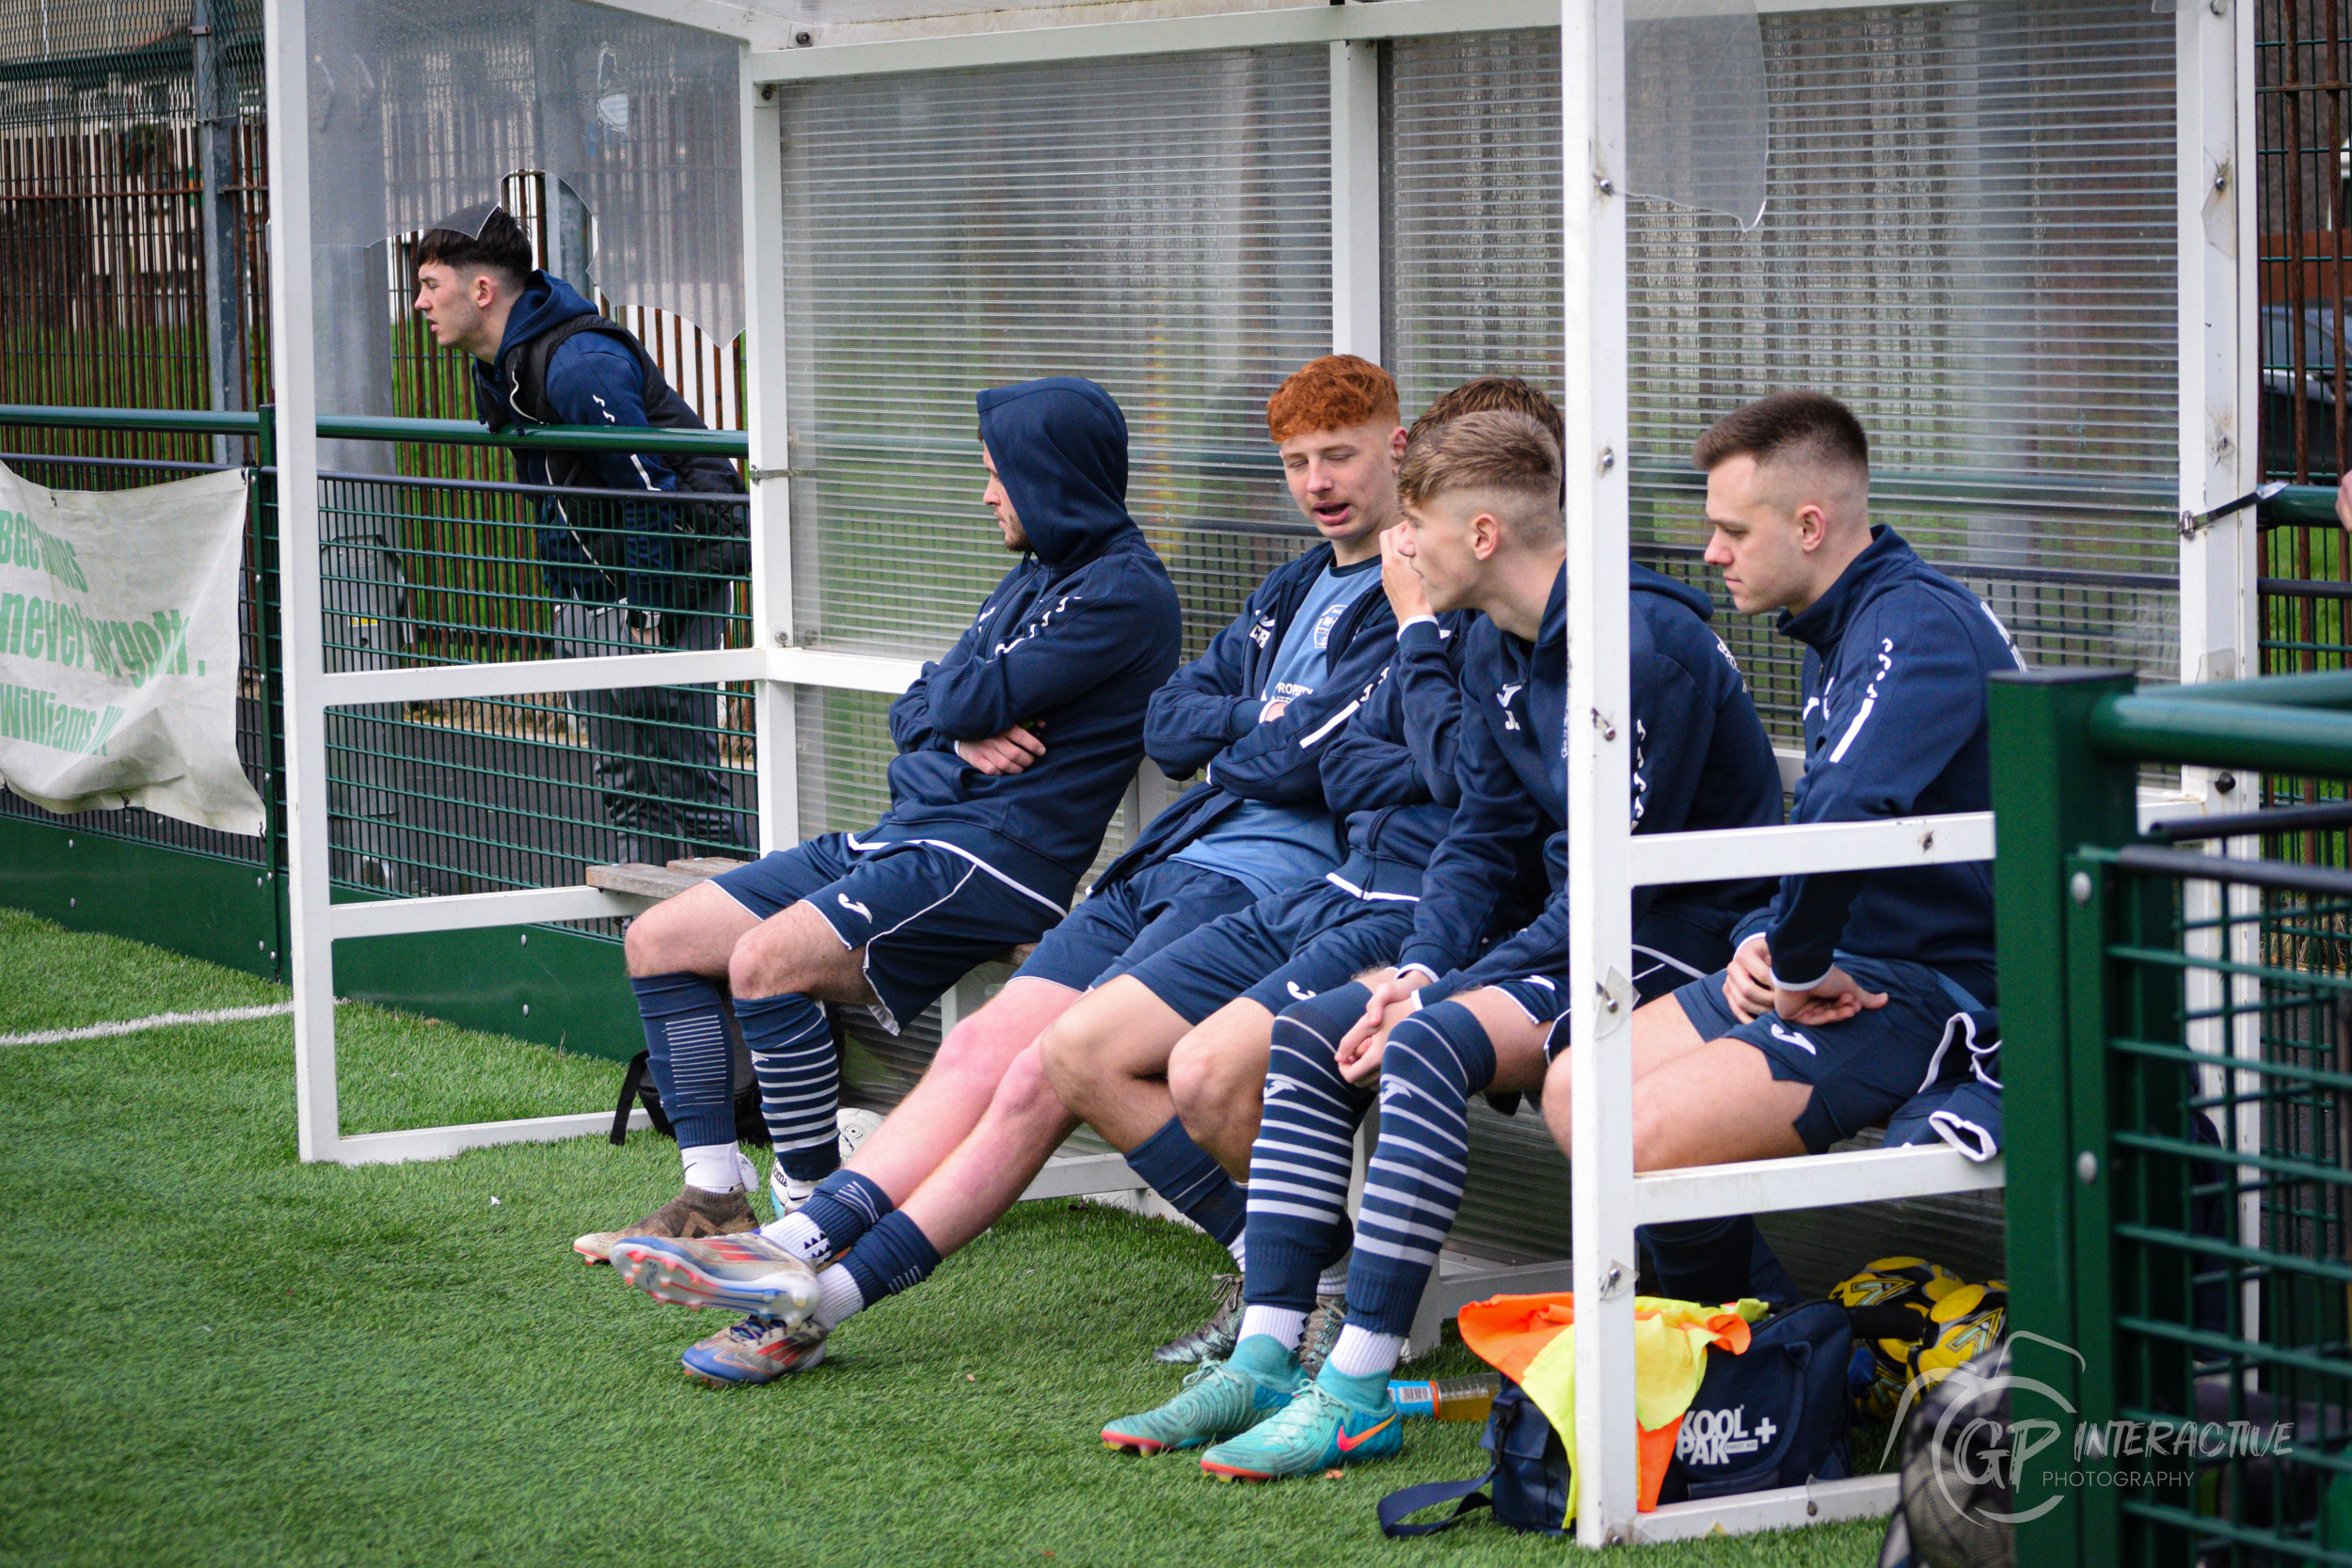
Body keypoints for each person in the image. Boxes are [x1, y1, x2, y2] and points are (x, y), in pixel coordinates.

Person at [606, 356, 1415, 1386]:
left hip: (1269, 891)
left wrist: (1243, 730)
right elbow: (1169, 723)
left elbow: (1303, 755)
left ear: (1398, 447)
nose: (1315, 482)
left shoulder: (1411, 592)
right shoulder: (1292, 581)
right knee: (991, 1040)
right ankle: (796, 1257)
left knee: (1048, 1064)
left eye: (1337, 456)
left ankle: (811, 1281)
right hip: (1167, 859)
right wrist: (1244, 725)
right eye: (1296, 462)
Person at [1099, 407, 1785, 1481]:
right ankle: (1271, 1351)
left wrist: (1443, 995)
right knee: (1313, 1033)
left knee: (1423, 1042)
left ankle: (1359, 1384)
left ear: (1477, 534)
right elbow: (1483, 832)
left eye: (1409, 523)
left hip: (1683, 938)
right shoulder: (1487, 637)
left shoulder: (1640, 647)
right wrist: (1424, 966)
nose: (1393, 549)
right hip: (1576, 929)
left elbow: (1614, 886)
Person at [580, 375, 1179, 1275]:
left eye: (998, 476)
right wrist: (954, 723)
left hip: (994, 861)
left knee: (763, 964)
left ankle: (808, 1223)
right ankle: (712, 1196)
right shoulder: (1031, 578)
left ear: (1050, 474)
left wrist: (955, 708)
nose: (987, 495)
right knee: (661, 938)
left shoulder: (1125, 592)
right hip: (913, 828)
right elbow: (915, 711)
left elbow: (961, 693)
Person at [1045, 378, 1563, 1374]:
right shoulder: (1372, 594)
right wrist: (1316, 741)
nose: (1399, 532)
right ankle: (1295, 1275)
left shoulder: (1482, 617)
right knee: (1078, 1049)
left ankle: (1309, 1313)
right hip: (1337, 890)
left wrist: (1394, 674)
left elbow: (1455, 787)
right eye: (1297, 461)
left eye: (1415, 505)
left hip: (1437, 922)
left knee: (1206, 1068)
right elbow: (1312, 754)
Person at [1541, 389, 2022, 1280]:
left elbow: (1842, 815)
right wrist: (1765, 942)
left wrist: (1796, 963)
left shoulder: (1912, 626)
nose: (1711, 551)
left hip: (1930, 984)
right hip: (1841, 962)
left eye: (1733, 529)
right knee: (1576, 1087)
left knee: (1637, 1132)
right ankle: (1753, 1347)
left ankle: (1756, 1357)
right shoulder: (1839, 621)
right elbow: (1819, 829)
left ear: (1809, 524)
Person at [411, 203, 747, 866]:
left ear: (482, 291)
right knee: (624, 787)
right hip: (589, 592)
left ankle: (757, 943)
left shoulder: (580, 363)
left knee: (690, 787)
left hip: (670, 582)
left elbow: (648, 488)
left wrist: (649, 609)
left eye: (429, 285)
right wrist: (575, 598)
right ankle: (647, 948)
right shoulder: (498, 368)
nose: (420, 302)